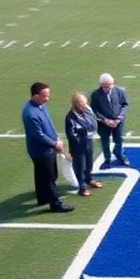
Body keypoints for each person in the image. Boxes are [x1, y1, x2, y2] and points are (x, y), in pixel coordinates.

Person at [22, 82, 72, 213]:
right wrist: (54, 143)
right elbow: (38, 134)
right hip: (42, 151)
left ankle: (42, 198)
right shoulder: (31, 114)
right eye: (45, 96)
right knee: (50, 176)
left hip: (45, 148)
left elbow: (48, 124)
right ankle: (56, 204)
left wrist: (56, 138)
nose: (47, 99)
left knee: (41, 175)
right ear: (36, 96)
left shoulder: (40, 106)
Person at [89, 72, 130, 168]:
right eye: (105, 86)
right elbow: (94, 110)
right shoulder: (95, 95)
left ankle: (120, 155)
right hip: (103, 124)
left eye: (110, 86)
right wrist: (105, 120)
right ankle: (107, 159)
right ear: (100, 85)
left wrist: (119, 118)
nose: (108, 88)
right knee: (105, 141)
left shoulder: (119, 91)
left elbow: (125, 105)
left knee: (119, 139)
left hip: (118, 121)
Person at [65, 92, 101, 198]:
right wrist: (82, 135)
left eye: (85, 103)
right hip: (78, 146)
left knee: (89, 163)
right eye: (82, 105)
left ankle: (89, 179)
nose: (85, 106)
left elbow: (93, 122)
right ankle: (82, 187)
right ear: (76, 105)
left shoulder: (87, 110)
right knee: (80, 166)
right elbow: (71, 135)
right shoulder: (70, 118)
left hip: (88, 142)